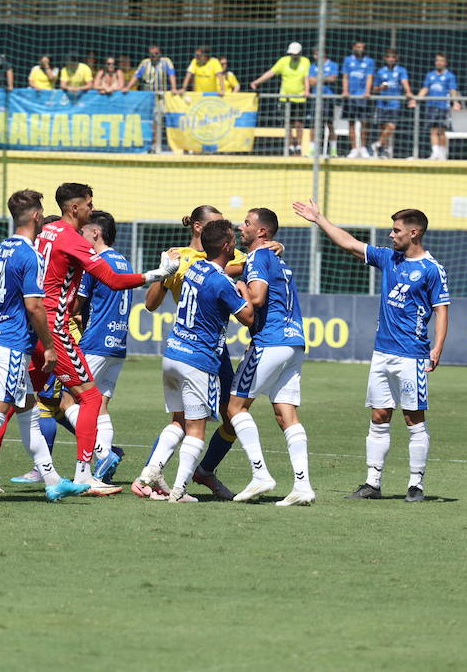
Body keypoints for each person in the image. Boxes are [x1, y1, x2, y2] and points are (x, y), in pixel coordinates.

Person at [293, 200, 449, 503]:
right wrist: (319, 219)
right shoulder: (390, 259)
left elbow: (441, 310)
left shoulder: (432, 270)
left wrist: (437, 348)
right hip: (382, 352)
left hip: (412, 354)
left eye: (396, 230)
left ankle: (416, 485)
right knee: (378, 416)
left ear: (414, 233)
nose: (391, 235)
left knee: (414, 420)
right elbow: (350, 244)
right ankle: (372, 482)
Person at [0, 190, 90, 504]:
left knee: (28, 413)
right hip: (12, 345)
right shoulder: (31, 254)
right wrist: (51, 348)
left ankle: (52, 480)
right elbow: (35, 307)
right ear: (38, 217)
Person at [38, 183, 178, 492]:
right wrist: (158, 273)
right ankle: (87, 469)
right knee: (89, 398)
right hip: (59, 328)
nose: (91, 209)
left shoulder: (44, 234)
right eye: (89, 203)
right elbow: (114, 280)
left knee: (22, 401)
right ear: (75, 208)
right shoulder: (73, 240)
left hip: (34, 322)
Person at [133, 203, 255, 501]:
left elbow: (237, 262)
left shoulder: (207, 261)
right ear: (200, 228)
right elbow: (150, 304)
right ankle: (168, 482)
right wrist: (164, 274)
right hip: (199, 351)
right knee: (192, 421)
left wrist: (259, 254)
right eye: (219, 225)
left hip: (201, 348)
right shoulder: (181, 258)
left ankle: (202, 470)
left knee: (231, 417)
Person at [225, 207, 314, 506]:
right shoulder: (274, 257)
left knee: (236, 408)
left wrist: (239, 290)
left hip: (270, 340)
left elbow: (258, 297)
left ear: (261, 231)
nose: (241, 227)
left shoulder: (259, 257)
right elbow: (231, 268)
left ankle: (260, 474)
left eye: (247, 223)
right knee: (285, 412)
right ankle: (303, 485)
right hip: (294, 342)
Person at [73, 210, 132, 483]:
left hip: (95, 341)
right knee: (101, 405)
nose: (80, 236)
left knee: (69, 400)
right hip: (118, 344)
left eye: (83, 231)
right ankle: (104, 459)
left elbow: (77, 304)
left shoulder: (94, 262)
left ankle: (102, 452)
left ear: (95, 233)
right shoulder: (125, 262)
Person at [250, 42, 311, 155]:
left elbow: (306, 77)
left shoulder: (305, 61)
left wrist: (307, 90)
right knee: (287, 123)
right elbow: (271, 73)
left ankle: (298, 146)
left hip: (299, 98)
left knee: (298, 123)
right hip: (285, 98)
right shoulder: (283, 61)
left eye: (295, 54)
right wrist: (257, 82)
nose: (293, 56)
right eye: (291, 54)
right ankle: (289, 147)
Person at [415, 53, 461, 161]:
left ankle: (442, 153)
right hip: (431, 106)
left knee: (442, 131)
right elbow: (425, 88)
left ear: (445, 63)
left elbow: (453, 90)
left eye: (441, 61)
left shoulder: (450, 76)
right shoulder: (430, 75)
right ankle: (435, 153)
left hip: (443, 106)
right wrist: (416, 99)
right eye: (437, 60)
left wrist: (455, 102)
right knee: (433, 130)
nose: (439, 63)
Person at [370, 51, 411, 159]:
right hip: (382, 103)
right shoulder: (380, 71)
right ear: (385, 58)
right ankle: (384, 151)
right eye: (388, 57)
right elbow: (374, 88)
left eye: (393, 57)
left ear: (396, 58)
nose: (391, 59)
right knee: (383, 129)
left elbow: (405, 83)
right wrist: (381, 88)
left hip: (394, 103)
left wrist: (408, 92)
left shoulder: (401, 70)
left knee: (391, 126)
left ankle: (377, 144)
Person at [341, 41, 376, 158]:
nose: (360, 49)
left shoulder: (369, 61)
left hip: (362, 96)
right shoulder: (347, 60)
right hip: (351, 96)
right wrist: (345, 91)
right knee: (351, 122)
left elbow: (369, 77)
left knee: (365, 122)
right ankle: (354, 148)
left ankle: (363, 147)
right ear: (353, 47)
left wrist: (367, 91)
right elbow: (345, 77)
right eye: (358, 47)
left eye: (362, 47)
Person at [308, 51, 340, 156]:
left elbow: (333, 78)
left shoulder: (333, 65)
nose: (315, 57)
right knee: (314, 125)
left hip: (328, 98)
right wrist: (325, 79)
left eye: (317, 54)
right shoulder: (312, 66)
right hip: (315, 98)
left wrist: (318, 79)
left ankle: (333, 151)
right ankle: (312, 151)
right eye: (314, 54)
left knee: (330, 124)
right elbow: (311, 82)